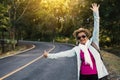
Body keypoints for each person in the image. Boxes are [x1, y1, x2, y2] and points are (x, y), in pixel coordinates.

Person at [43, 3, 108, 80]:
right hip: (83, 76)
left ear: (87, 36)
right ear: (77, 39)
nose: (81, 38)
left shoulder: (94, 42)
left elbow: (96, 27)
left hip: (96, 75)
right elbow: (63, 54)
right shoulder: (77, 49)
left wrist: (96, 13)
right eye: (79, 37)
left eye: (83, 36)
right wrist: (49, 55)